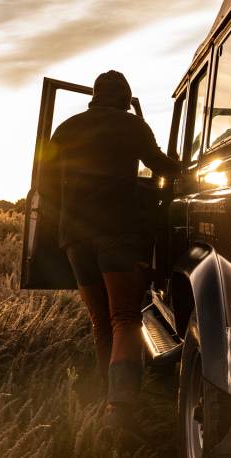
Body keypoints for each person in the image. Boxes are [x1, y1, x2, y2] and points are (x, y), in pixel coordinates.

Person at [43, 70, 178, 431]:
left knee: (100, 320)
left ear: (94, 96)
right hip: (118, 234)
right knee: (125, 317)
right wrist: (193, 172)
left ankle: (106, 396)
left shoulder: (67, 128)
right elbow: (160, 166)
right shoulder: (131, 125)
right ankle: (122, 408)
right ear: (125, 97)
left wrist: (70, 211)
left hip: (74, 238)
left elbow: (44, 184)